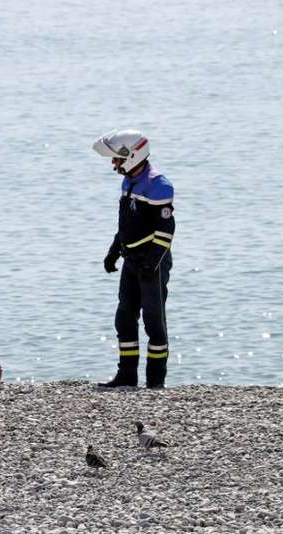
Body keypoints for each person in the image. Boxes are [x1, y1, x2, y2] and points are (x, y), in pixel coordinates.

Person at [92, 129, 175, 389]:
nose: (113, 164)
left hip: (152, 262)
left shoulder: (159, 185)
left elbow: (166, 230)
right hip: (131, 259)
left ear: (132, 155)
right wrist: (114, 249)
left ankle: (155, 381)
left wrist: (152, 262)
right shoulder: (128, 181)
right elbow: (126, 223)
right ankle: (127, 375)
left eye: (116, 159)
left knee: (154, 323)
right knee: (124, 318)